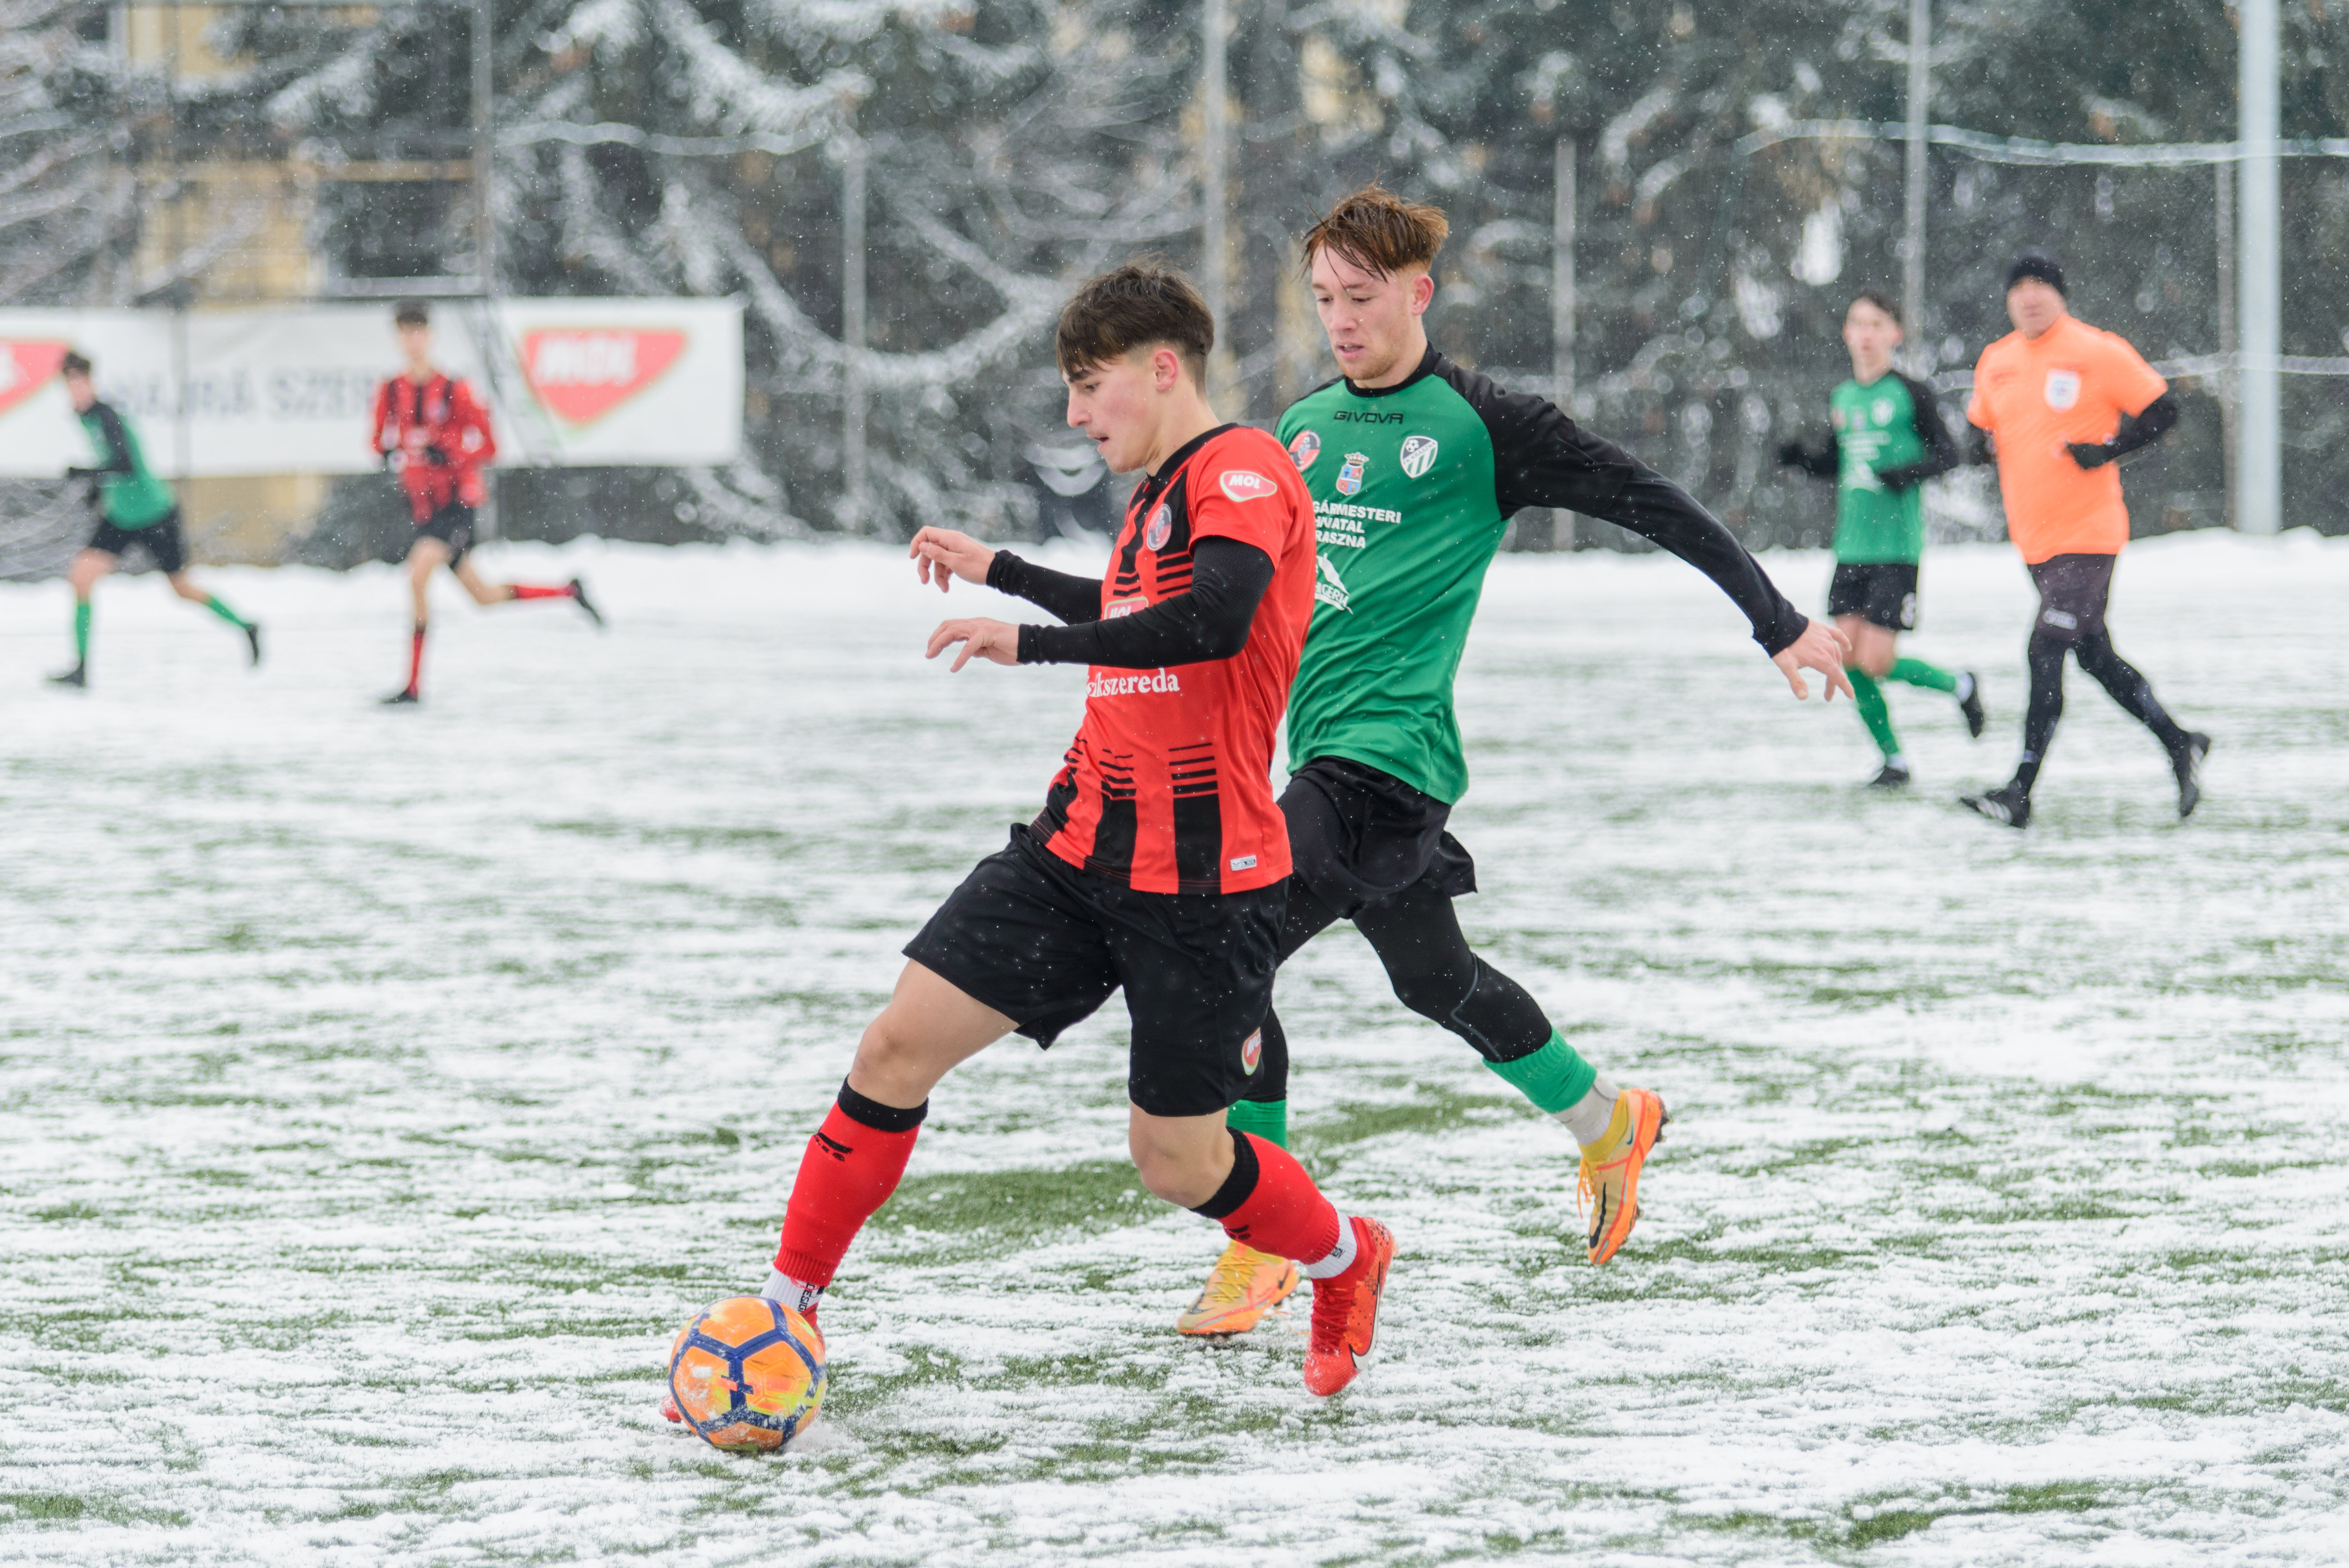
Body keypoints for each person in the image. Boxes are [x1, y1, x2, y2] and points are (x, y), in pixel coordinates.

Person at [988, 187, 1842, 1340]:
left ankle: (1264, 1240)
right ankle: (1606, 1120)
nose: (1341, 319)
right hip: (1324, 766)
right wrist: (1012, 577)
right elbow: (1188, 605)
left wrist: (1775, 618)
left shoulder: (1488, 425)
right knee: (1432, 976)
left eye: (1363, 296)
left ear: (1418, 293)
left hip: (1382, 769)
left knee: (1229, 934)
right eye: (1325, 299)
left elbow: (1653, 503)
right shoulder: (1295, 434)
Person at [718, 263, 1397, 1401]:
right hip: (1076, 849)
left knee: (1177, 1162)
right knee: (894, 1047)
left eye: (1090, 387)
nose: (1077, 417)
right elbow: (1134, 606)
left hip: (1202, 885)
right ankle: (786, 1311)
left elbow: (1214, 621)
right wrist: (1009, 575)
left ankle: (1343, 1253)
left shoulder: (1243, 467)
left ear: (1161, 367)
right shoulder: (1158, 494)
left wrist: (1021, 642)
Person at [1957, 250, 2208, 829]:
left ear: (2061, 294)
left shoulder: (2097, 350)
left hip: (2089, 537)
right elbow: (1980, 430)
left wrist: (2107, 451)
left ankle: (2018, 792)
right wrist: (1978, 450)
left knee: (2045, 649)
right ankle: (2180, 742)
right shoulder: (1996, 361)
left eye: (2041, 284)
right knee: (2093, 656)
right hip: (2036, 543)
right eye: (2019, 286)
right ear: (2008, 299)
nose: (2030, 295)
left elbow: (2162, 411)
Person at [1777, 290, 1981, 786]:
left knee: (1876, 659)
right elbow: (1838, 462)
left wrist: (1906, 472)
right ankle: (1894, 761)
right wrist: (1801, 459)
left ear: (1895, 334)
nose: (1865, 334)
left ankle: (1960, 684)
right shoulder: (1843, 397)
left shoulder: (1912, 393)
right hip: (1851, 549)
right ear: (1847, 334)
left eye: (1876, 324)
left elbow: (1949, 454)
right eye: (1857, 323)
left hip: (1896, 549)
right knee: (1845, 659)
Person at [370, 299, 599, 705]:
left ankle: (413, 686)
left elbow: (489, 445)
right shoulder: (391, 390)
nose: (412, 341)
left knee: (416, 576)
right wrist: (390, 454)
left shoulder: (453, 389)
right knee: (483, 597)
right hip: (424, 508)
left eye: (418, 332)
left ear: (430, 336)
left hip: (457, 505)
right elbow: (378, 441)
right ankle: (568, 592)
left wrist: (451, 453)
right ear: (398, 339)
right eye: (405, 333)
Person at [46, 352, 260, 689]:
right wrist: (96, 489)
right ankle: (82, 668)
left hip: (155, 514)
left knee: (181, 589)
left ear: (91, 381)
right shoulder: (83, 417)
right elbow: (111, 465)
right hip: (120, 515)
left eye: (80, 380)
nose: (76, 388)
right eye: (69, 382)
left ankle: (247, 626)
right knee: (81, 578)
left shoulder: (106, 415)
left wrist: (86, 473)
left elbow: (125, 462)